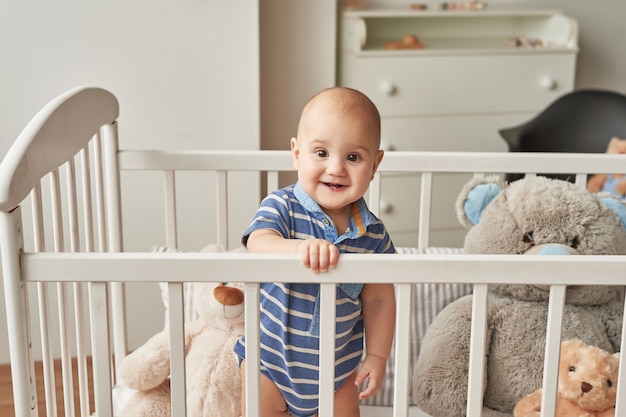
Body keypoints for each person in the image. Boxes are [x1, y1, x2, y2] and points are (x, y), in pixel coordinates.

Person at [234, 86, 396, 417]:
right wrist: (299, 248)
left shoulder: (374, 235)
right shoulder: (283, 206)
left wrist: (377, 356)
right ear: (296, 153)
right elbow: (258, 242)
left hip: (337, 370)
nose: (336, 168)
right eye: (321, 153)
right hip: (269, 361)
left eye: (353, 157)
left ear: (375, 163)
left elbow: (380, 298)